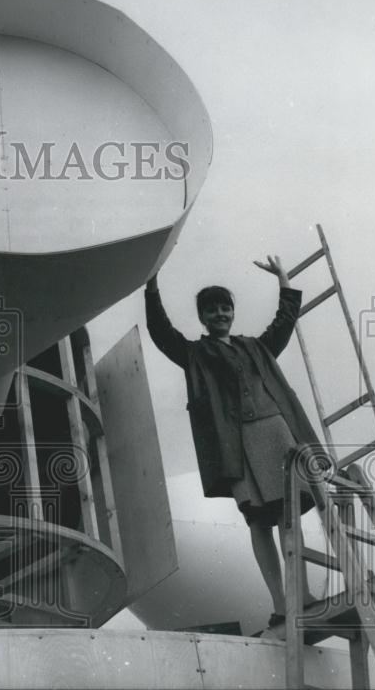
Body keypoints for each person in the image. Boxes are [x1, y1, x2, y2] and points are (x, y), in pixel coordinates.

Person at [145, 255, 320, 627]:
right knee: (258, 522)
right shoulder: (194, 353)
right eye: (212, 310)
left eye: (225, 307)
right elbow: (161, 332)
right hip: (234, 445)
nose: (220, 314)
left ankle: (302, 594)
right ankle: (280, 603)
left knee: (291, 516)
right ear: (203, 317)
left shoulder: (256, 346)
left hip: (275, 433)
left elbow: (284, 321)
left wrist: (284, 281)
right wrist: (152, 285)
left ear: (232, 312)